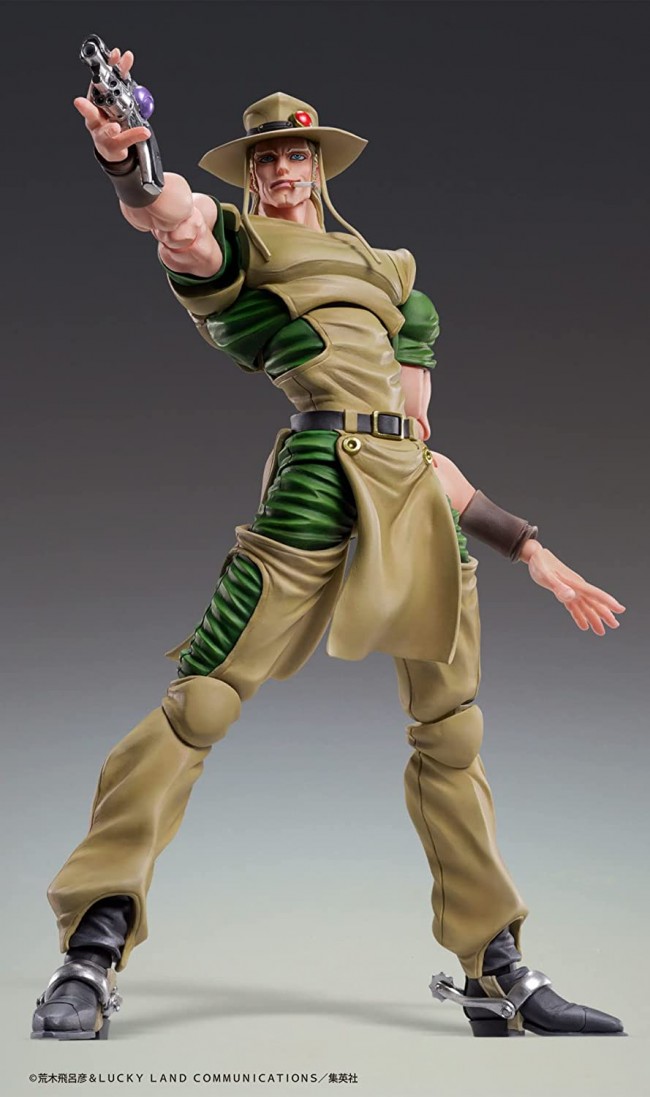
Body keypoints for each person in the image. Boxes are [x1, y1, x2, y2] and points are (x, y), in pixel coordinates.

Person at [32, 46, 626, 1041]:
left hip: (413, 496)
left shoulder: (394, 277)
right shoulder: (241, 243)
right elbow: (176, 223)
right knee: (202, 699)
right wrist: (128, 163)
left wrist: (530, 548)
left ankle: (497, 969)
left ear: (318, 164)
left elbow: (415, 438)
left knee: (453, 732)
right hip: (315, 480)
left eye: (294, 152)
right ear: (251, 170)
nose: (280, 167)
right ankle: (91, 946)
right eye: (264, 155)